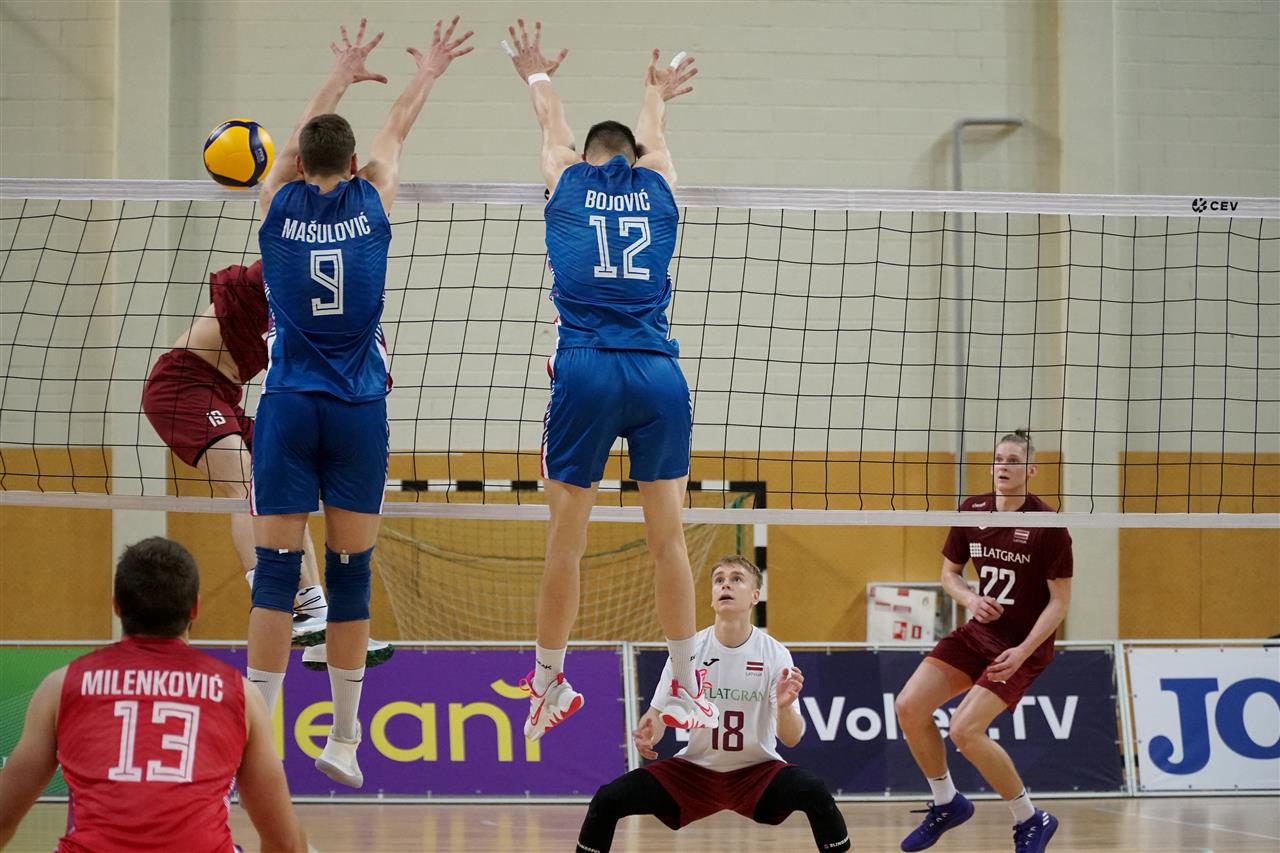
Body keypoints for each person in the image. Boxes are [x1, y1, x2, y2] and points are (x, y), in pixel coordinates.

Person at [249, 16, 472, 788]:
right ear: (352, 164)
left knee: (275, 574)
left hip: (287, 404)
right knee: (350, 573)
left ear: (300, 161)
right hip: (357, 409)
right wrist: (428, 69)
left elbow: (292, 147)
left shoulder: (277, 205)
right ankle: (344, 740)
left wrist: (339, 74)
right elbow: (397, 127)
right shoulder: (373, 199)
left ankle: (258, 743)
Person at [503, 19, 716, 742]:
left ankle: (548, 683)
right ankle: (685, 682)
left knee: (566, 542)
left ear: (586, 157)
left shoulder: (565, 179)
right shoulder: (658, 184)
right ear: (633, 157)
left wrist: (538, 73)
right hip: (658, 374)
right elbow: (653, 140)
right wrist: (656, 95)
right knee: (669, 541)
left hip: (587, 368)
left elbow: (551, 123)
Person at [142, 259, 394, 673]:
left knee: (287, 494)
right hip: (184, 386)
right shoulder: (281, 268)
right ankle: (272, 599)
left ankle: (318, 617)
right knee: (248, 488)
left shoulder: (323, 315)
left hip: (226, 395)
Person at [0, 537, 306, 853]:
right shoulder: (240, 694)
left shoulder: (62, 687)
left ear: (117, 605)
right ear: (195, 608)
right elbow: (285, 843)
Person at [575, 556, 850, 853]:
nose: (725, 585)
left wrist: (783, 707)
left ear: (755, 596)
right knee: (607, 799)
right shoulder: (688, 650)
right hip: (694, 772)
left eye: (736, 578)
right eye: (719, 580)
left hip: (757, 772)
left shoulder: (775, 654)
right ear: (711, 596)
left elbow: (792, 738)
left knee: (814, 791)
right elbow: (657, 716)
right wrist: (648, 733)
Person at [893, 429, 1072, 853]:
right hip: (977, 634)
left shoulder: (1048, 524)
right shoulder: (971, 510)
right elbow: (949, 575)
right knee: (909, 706)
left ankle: (1030, 818)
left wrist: (1023, 651)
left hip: (1020, 647)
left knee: (965, 730)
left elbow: (1060, 602)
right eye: (998, 459)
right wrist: (971, 599)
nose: (1003, 467)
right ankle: (947, 802)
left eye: (1013, 461)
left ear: (1031, 470)